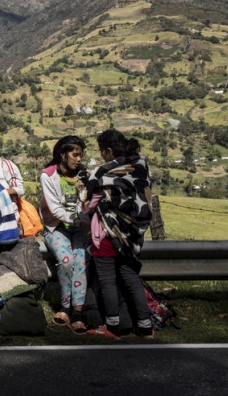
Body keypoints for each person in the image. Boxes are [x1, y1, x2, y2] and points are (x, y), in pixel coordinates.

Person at [83, 129, 154, 338]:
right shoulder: (139, 167)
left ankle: (112, 325)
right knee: (131, 278)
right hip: (132, 235)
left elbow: (89, 201)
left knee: (107, 281)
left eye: (101, 151)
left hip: (107, 234)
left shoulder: (104, 173)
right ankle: (145, 325)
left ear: (108, 151)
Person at [39, 135, 90, 333]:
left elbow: (85, 203)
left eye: (80, 155)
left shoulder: (84, 175)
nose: (78, 159)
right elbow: (54, 209)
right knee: (66, 260)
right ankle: (65, 307)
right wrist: (77, 220)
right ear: (62, 154)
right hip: (56, 226)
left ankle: (77, 311)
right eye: (75, 154)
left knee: (81, 259)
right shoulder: (48, 175)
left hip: (79, 227)